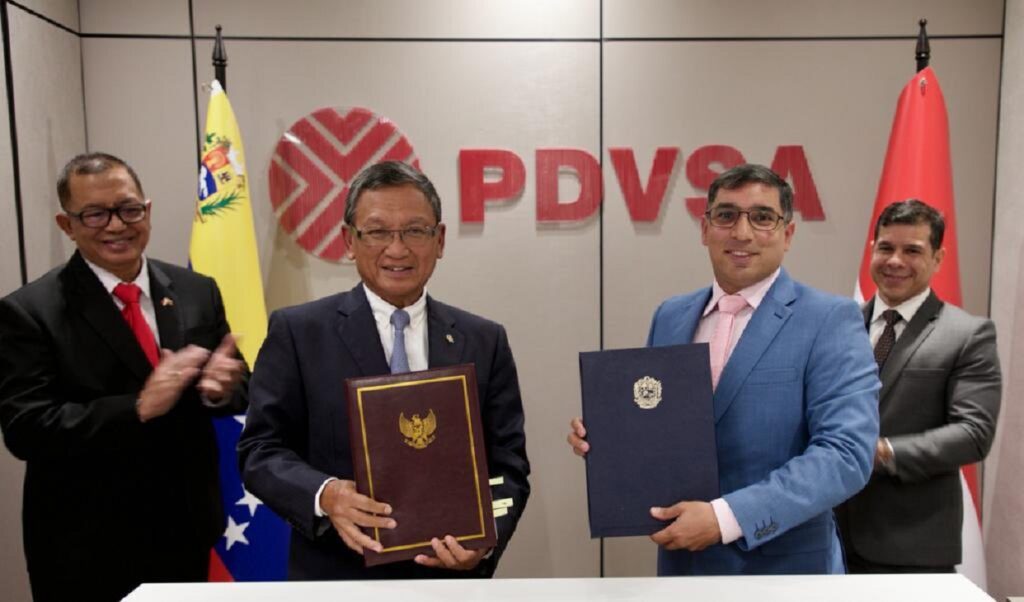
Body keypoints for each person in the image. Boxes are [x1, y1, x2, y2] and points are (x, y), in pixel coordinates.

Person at [568, 163, 880, 575]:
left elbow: (846, 455)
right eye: (727, 216)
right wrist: (609, 439)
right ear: (705, 229)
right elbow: (659, 427)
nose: (742, 233)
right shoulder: (671, 315)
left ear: (788, 234)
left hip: (786, 574)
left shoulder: (829, 319)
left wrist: (726, 518)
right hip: (684, 568)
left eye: (763, 218)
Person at [238, 160, 530, 580]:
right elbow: (260, 452)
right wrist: (325, 495)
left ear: (440, 239)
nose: (398, 249)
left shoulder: (483, 340)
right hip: (337, 577)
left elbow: (507, 465)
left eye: (415, 230)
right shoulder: (299, 333)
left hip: (449, 582)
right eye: (377, 232)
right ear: (349, 240)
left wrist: (486, 540)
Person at [0, 152, 248, 601]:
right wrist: (135, 408)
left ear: (147, 210)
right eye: (94, 214)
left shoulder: (197, 291)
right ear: (66, 224)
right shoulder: (29, 311)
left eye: (128, 209)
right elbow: (26, 429)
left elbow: (236, 384)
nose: (116, 225)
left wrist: (223, 388)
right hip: (85, 544)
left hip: (186, 530)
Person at [835, 199, 1001, 573]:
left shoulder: (967, 335)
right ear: (872, 250)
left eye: (912, 250)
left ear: (938, 258)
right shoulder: (838, 326)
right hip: (829, 537)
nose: (895, 261)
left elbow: (974, 434)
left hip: (911, 547)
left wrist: (882, 452)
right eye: (886, 247)